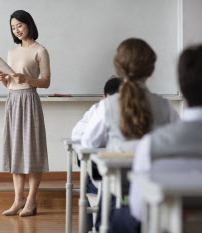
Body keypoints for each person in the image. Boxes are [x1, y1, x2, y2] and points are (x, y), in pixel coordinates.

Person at [81, 38, 179, 232]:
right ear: (151, 69)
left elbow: (88, 143)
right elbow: (174, 144)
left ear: (118, 67)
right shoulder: (165, 107)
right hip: (156, 192)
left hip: (116, 193)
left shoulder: (106, 106)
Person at [109, 44, 202, 233]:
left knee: (117, 216)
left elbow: (139, 210)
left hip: (163, 223)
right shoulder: (164, 111)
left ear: (182, 88)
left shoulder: (152, 144)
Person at [0, 10, 51, 217]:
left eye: (19, 25)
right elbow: (10, 83)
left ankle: (31, 200)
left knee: (32, 151)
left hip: (29, 100)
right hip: (12, 101)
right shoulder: (11, 52)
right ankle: (18, 199)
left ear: (28, 24)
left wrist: (27, 79)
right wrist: (3, 78)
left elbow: (46, 81)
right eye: (12, 27)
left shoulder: (40, 50)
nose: (16, 30)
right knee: (15, 150)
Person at [71, 76, 123, 140]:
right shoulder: (97, 108)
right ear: (105, 97)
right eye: (112, 100)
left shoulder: (133, 109)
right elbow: (77, 134)